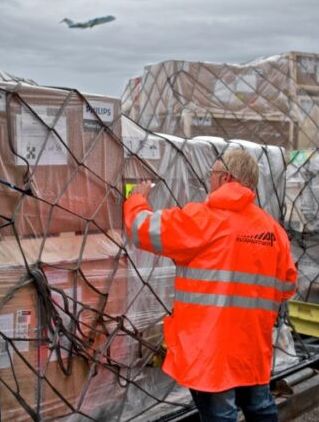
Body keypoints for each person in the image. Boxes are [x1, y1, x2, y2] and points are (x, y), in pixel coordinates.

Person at [124, 149, 297, 422]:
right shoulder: (273, 231)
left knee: (221, 415)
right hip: (252, 347)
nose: (209, 180)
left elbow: (141, 229)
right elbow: (288, 286)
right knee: (260, 407)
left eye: (212, 174)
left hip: (210, 351)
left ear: (225, 177)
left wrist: (136, 200)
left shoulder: (202, 219)